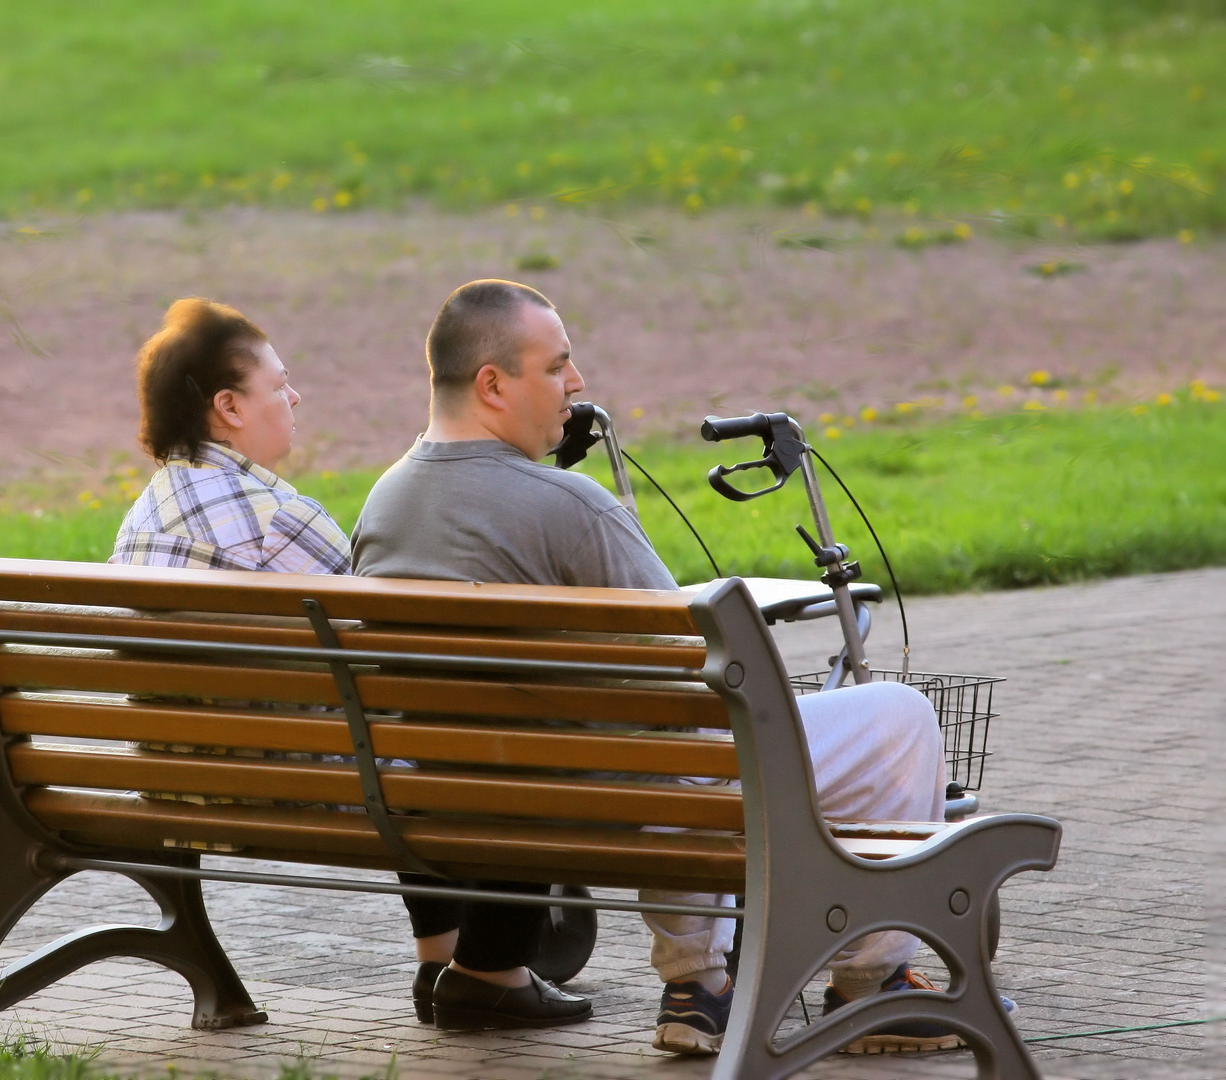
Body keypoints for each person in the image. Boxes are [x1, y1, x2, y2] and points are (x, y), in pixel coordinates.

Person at [352, 279, 968, 1053]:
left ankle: (700, 987)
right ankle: (868, 984)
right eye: (558, 366)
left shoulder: (384, 505)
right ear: (492, 384)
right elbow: (699, 681)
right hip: (606, 796)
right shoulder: (572, 507)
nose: (576, 384)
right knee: (892, 717)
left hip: (463, 797)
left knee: (669, 739)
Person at [111, 297, 350, 573]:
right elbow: (372, 611)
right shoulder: (281, 521)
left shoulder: (137, 526)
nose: (295, 397)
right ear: (229, 407)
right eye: (279, 386)